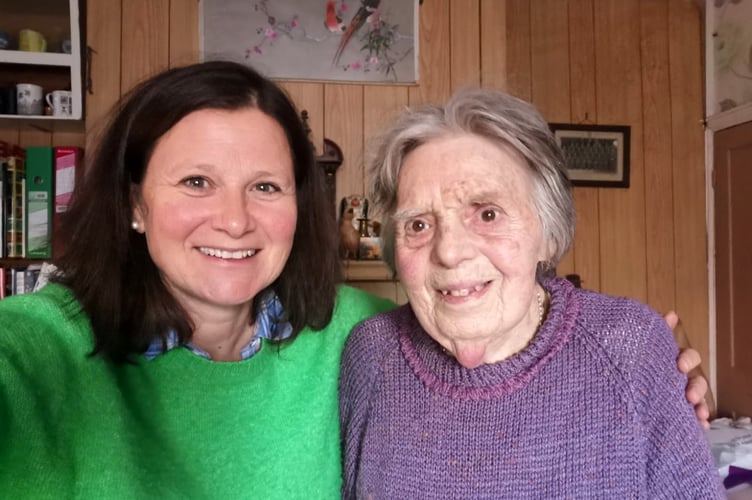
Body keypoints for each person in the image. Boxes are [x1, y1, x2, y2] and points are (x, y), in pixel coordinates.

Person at [0, 61, 708, 498]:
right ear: (133, 204)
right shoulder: (36, 349)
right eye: (195, 182)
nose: (234, 220)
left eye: (266, 187)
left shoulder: (350, 331)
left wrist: (656, 378)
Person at [339, 88, 723, 498]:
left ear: (548, 236)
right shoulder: (372, 353)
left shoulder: (629, 349)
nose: (449, 252)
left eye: (487, 213)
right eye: (418, 225)